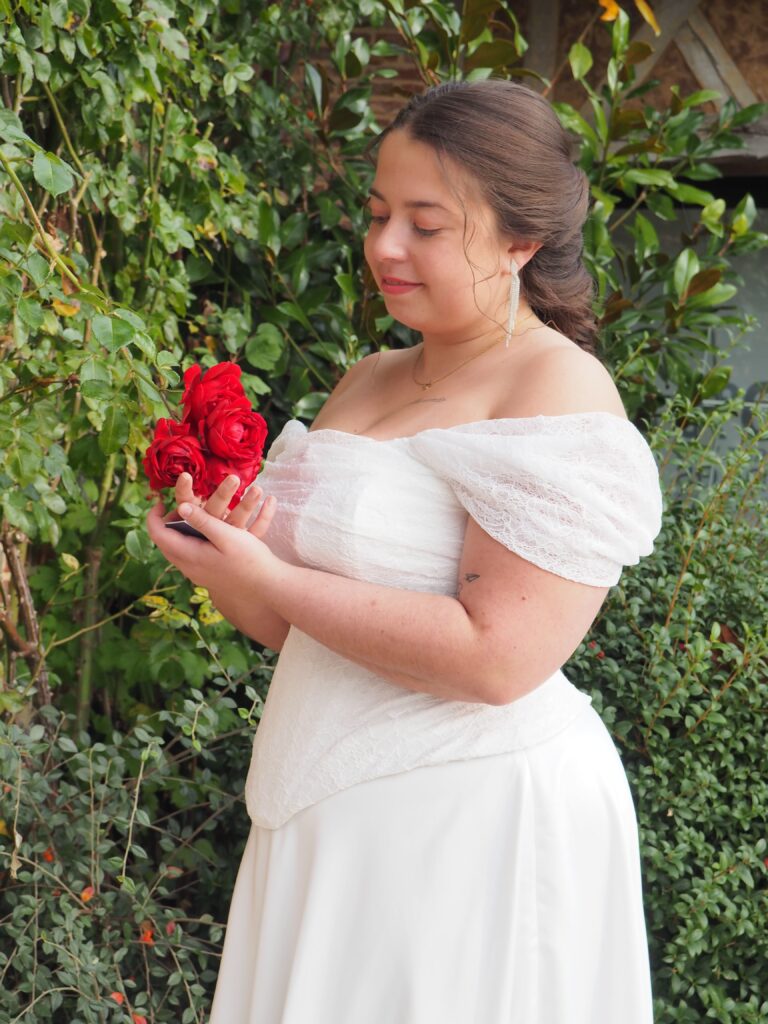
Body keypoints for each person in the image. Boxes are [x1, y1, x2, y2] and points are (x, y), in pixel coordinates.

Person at [147, 80, 662, 1024]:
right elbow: (292, 623)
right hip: (318, 804)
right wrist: (222, 564)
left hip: (464, 818)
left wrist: (272, 578)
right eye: (379, 213)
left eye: (426, 225)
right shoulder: (370, 376)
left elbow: (498, 657)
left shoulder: (556, 389)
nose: (385, 246)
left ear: (520, 240)